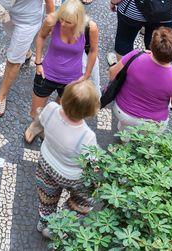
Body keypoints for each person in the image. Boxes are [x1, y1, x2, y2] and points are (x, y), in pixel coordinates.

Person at [25, 0, 100, 143]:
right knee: (35, 112)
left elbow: (93, 51)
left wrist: (86, 75)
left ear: (78, 20)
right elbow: (41, 37)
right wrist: (38, 62)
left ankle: (47, 129)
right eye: (62, 19)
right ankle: (36, 126)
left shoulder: (90, 28)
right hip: (46, 74)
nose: (64, 24)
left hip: (72, 80)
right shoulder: (52, 20)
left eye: (69, 22)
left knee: (61, 111)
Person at [33, 79, 100, 239]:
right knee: (84, 201)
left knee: (46, 195)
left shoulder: (50, 108)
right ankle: (59, 226)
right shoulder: (87, 136)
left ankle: (45, 220)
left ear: (64, 98)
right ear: (90, 111)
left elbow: (41, 122)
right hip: (71, 176)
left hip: (46, 164)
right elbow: (93, 162)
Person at [109, 27, 172, 131]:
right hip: (153, 122)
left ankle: (124, 140)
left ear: (152, 45)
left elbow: (112, 75)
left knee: (125, 130)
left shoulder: (135, 56)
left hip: (123, 112)